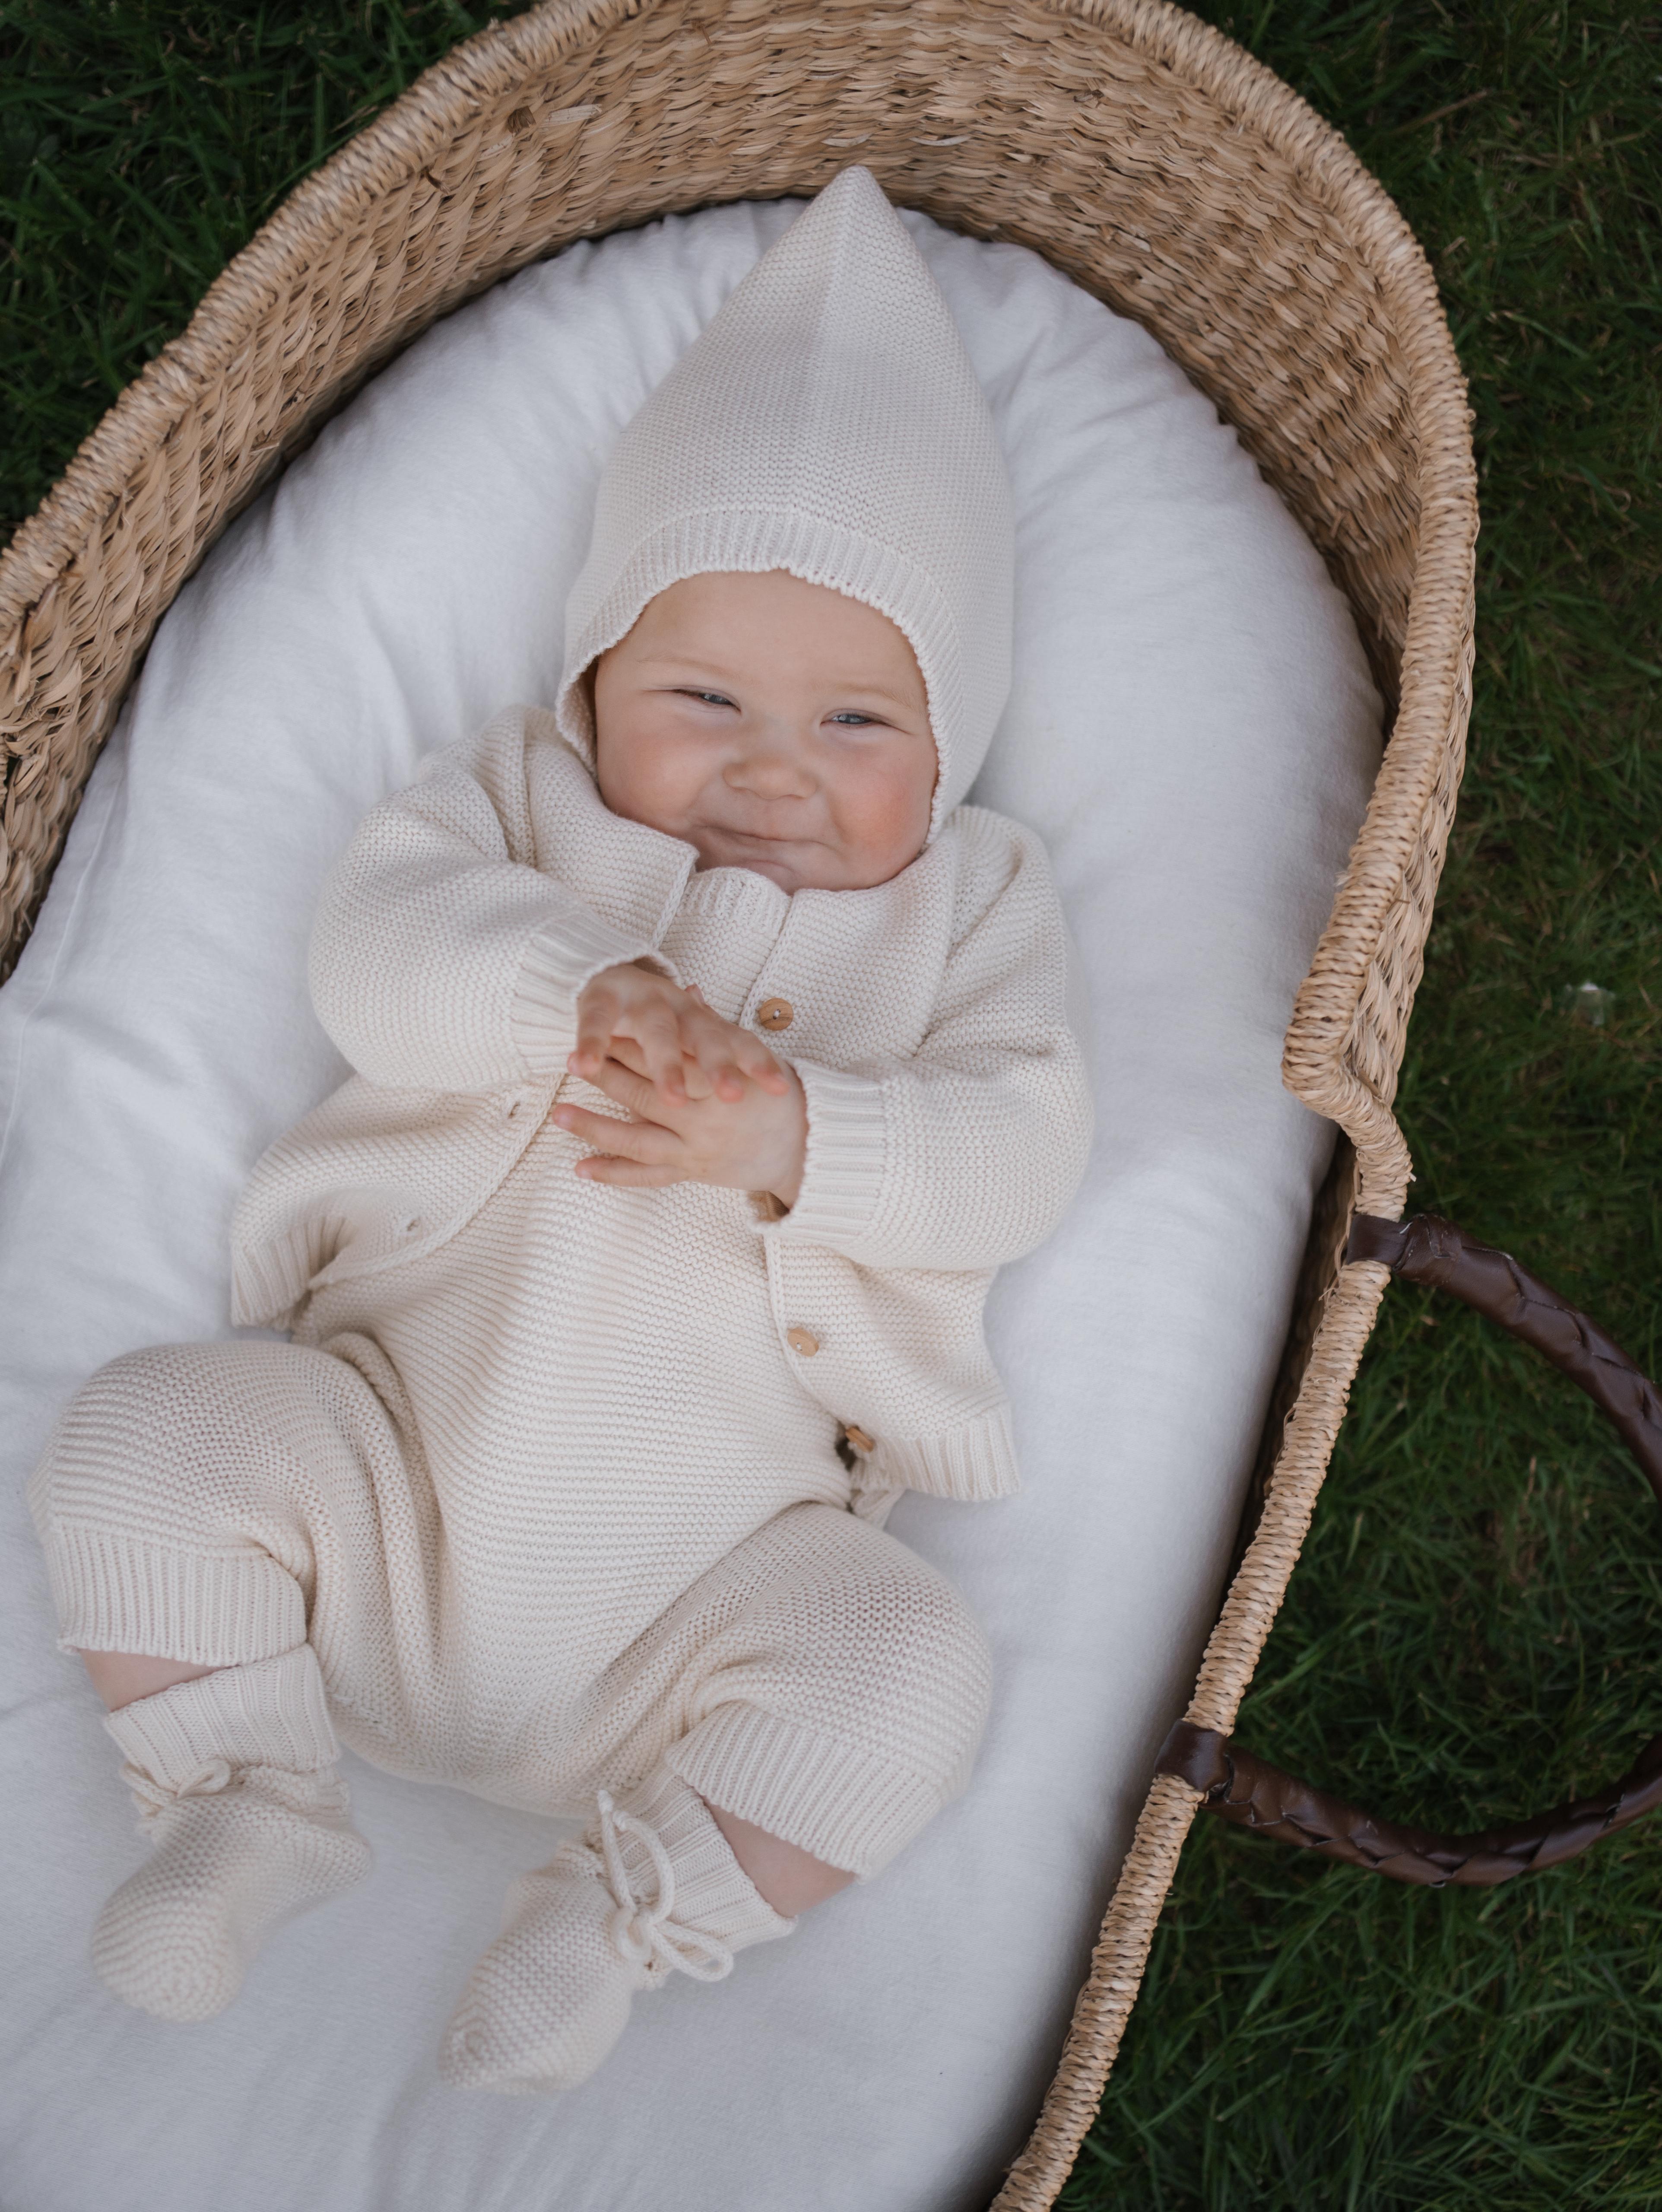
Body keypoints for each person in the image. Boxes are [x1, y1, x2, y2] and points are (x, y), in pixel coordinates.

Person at [29, 165, 1092, 2093]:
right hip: (375, 1471)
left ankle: (614, 1913)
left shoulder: (972, 913)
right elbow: (374, 949)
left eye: (861, 724)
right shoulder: (519, 806)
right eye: (699, 695)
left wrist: (797, 1137)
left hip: (706, 1597)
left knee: (905, 1670)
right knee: (143, 1432)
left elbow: (1016, 1152)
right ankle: (249, 1788)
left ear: (953, 747)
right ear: (590, 676)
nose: (772, 767)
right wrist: (566, 992)